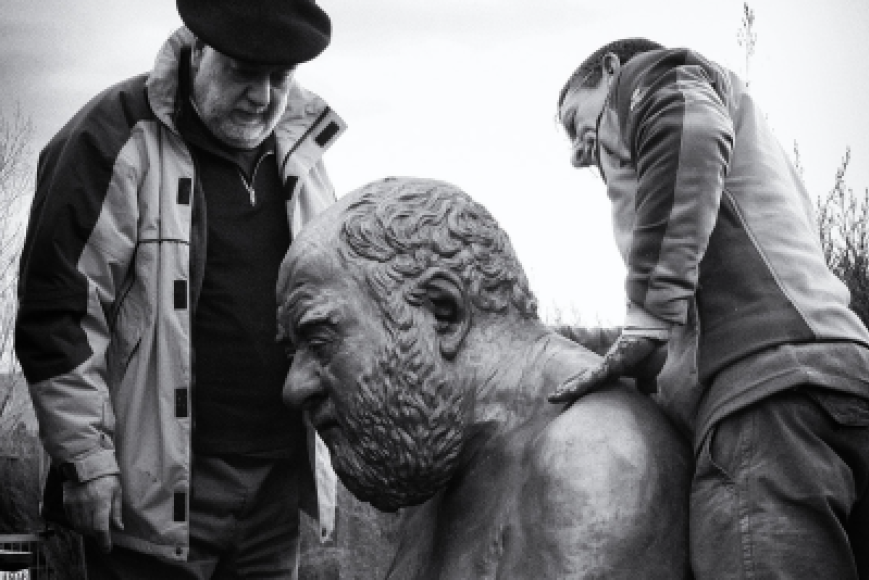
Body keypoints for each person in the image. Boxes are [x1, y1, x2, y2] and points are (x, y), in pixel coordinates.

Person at [14, 1, 345, 577]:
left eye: (280, 77)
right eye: (245, 71)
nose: (263, 97)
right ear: (197, 47)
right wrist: (87, 463)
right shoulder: (110, 135)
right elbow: (59, 316)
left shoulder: (305, 152)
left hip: (274, 491)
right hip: (149, 496)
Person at [554, 38, 869, 578]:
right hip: (838, 379)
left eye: (573, 118)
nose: (575, 145)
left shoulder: (653, 78)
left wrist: (646, 318)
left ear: (611, 71)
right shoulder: (754, 160)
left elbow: (686, 128)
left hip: (767, 405)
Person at [278, 177, 693, 579]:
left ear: (443, 313)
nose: (294, 387)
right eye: (293, 353)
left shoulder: (593, 459)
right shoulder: (443, 449)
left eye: (319, 338)